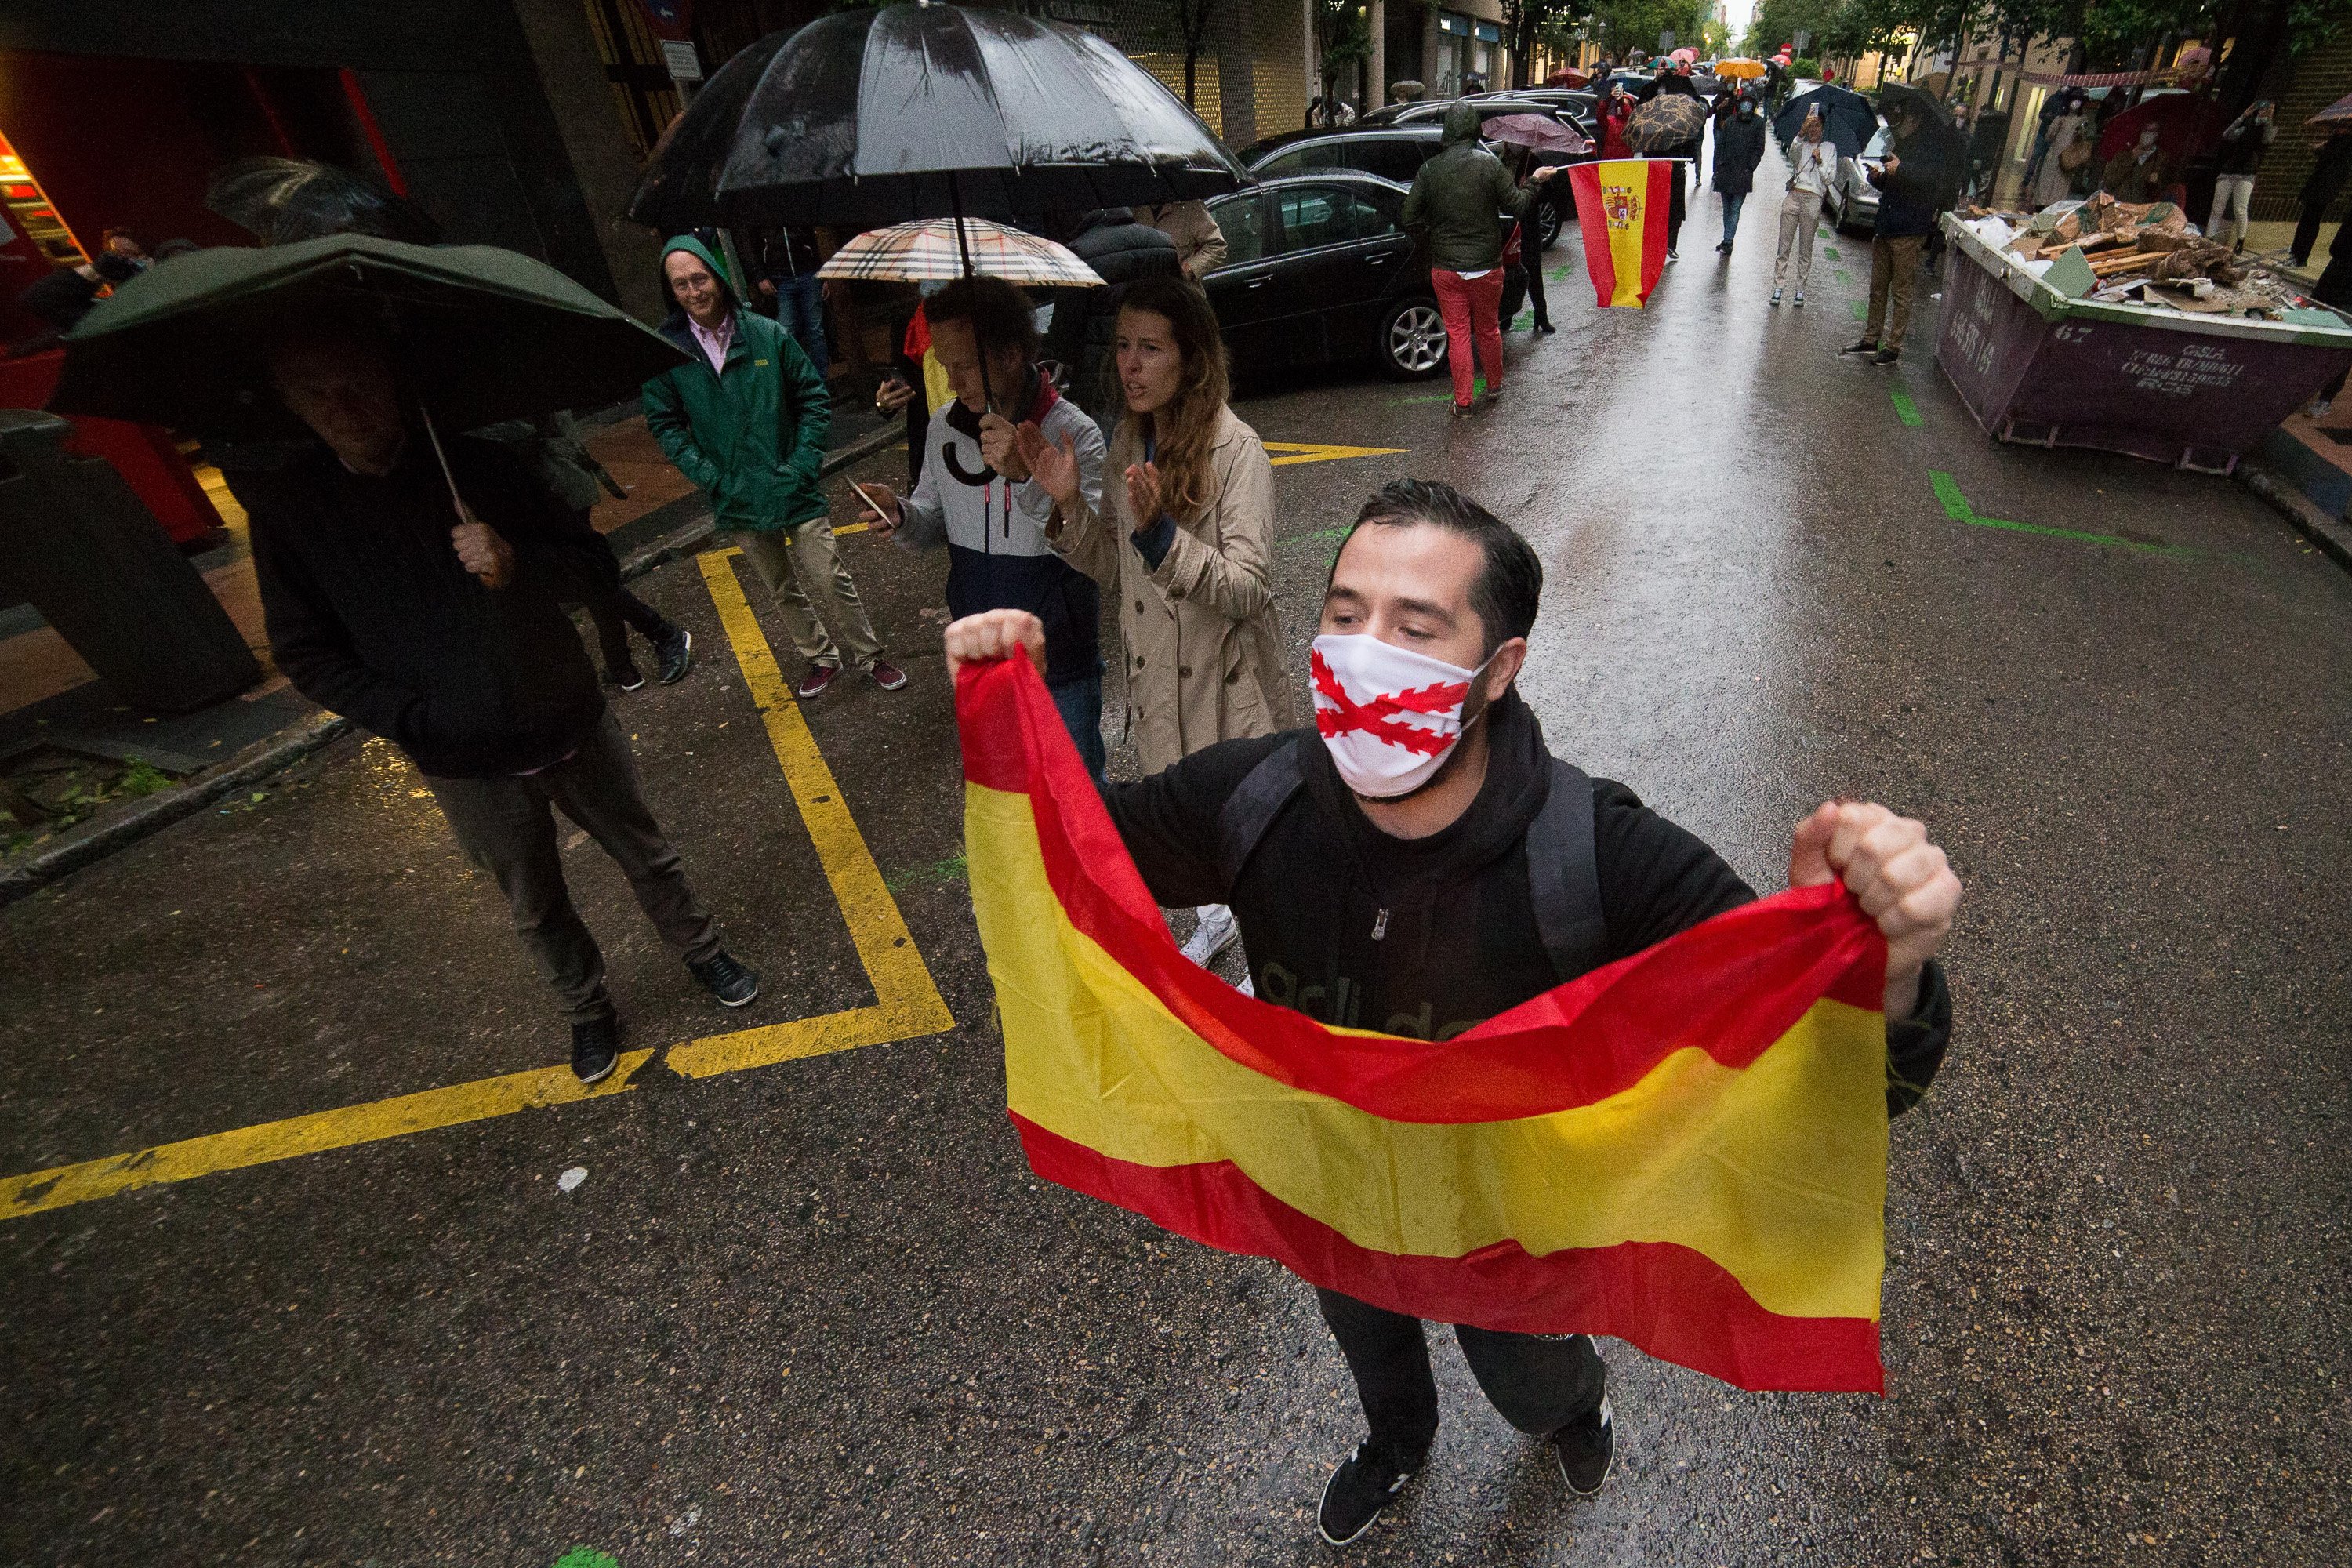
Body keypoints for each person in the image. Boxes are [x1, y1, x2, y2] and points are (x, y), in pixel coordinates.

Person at [938, 478, 1960, 1549]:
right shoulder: (1252, 799)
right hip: (1328, 1194)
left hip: (1509, 1231)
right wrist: (1011, 714)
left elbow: (1829, 1088)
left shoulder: (1598, 857)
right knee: (1368, 1340)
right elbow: (1066, 858)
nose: (1363, 649)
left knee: (1525, 1367)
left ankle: (1573, 1408)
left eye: (1415, 627)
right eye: (1344, 614)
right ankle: (1396, 1444)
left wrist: (1873, 970)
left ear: (1499, 668)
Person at [249, 327, 759, 1085]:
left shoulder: (480, 467)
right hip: (461, 758)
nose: (342, 408)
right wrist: (412, 718)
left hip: (566, 716)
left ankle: (704, 952)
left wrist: (517, 561)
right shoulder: (291, 512)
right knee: (534, 902)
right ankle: (588, 1011)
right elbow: (305, 654)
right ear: (292, 405)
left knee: (646, 853)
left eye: (356, 384)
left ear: (392, 382)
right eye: (315, 394)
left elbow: (595, 572)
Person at [1014, 276, 1294, 976]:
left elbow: (1250, 588)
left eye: (1149, 348)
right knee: (1189, 840)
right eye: (1121, 347)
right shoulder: (1127, 443)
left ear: (1190, 358)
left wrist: (1164, 537)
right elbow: (1117, 568)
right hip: (1156, 694)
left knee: (1249, 851)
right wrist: (1069, 506)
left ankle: (1272, 978)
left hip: (1228, 699)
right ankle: (1214, 920)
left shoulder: (1238, 453)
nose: (1129, 365)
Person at [858, 276, 1112, 779]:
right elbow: (934, 522)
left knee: (1080, 798)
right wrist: (903, 516)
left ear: (1014, 355)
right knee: (1011, 804)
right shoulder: (942, 428)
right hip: (983, 659)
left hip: (1060, 657)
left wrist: (1026, 479)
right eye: (945, 366)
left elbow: (1092, 550)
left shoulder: (1074, 433)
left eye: (966, 365)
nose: (953, 382)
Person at [642, 236, 906, 700]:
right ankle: (821, 657)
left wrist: (803, 462)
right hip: (737, 495)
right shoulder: (668, 354)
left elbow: (813, 398)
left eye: (699, 278)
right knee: (780, 587)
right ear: (670, 291)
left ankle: (869, 656)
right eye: (680, 284)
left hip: (793, 484)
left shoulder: (767, 334)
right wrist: (711, 477)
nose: (693, 291)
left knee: (829, 576)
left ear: (718, 278)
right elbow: (665, 425)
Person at [476, 411, 695, 691]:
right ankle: (621, 666)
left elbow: (520, 431)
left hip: (557, 488)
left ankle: (663, 634)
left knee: (587, 576)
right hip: (545, 490)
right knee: (590, 579)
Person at [1400, 100, 1561, 417]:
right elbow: (1517, 206)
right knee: (1488, 327)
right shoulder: (1488, 166)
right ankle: (1494, 385)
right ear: (1474, 129)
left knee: (1458, 333)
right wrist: (1535, 181)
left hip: (1447, 268)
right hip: (1487, 266)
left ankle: (1463, 403)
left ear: (1448, 131)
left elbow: (1409, 217)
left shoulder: (1430, 169)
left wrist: (1433, 231)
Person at [1042, 208, 1182, 430]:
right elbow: (1181, 313)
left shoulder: (1078, 253)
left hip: (1103, 383)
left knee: (1117, 450)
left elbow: (1065, 334)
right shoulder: (1163, 244)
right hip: (1160, 376)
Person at [1843, 98, 1948, 366]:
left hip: (1909, 228)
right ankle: (1871, 338)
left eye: (1904, 119)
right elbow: (1895, 183)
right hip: (1887, 224)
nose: (1898, 123)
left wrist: (1900, 168)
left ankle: (1893, 346)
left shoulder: (1932, 150)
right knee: (1877, 288)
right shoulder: (1901, 144)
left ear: (1916, 120)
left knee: (1901, 291)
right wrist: (1879, 177)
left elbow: (1929, 181)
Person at [1773, 107, 1837, 305]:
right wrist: (1801, 133)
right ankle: (1778, 287)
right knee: (1784, 245)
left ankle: (1800, 289)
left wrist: (1820, 161)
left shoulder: (1829, 148)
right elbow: (1792, 156)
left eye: (1817, 125)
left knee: (1805, 248)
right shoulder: (1800, 144)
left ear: (1823, 127)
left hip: (1813, 199)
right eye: (1811, 125)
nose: (1813, 129)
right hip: (1794, 195)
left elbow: (1828, 179)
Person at [751, 226, 830, 376]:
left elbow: (815, 240)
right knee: (786, 332)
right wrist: (760, 276)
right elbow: (754, 248)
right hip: (780, 279)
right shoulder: (761, 214)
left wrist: (824, 275)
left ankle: (821, 378)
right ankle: (795, 379)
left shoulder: (795, 206)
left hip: (809, 274)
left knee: (816, 330)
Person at [2209, 100, 2275, 252]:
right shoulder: (2246, 126)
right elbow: (2227, 135)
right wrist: (2243, 116)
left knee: (2240, 208)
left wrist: (2269, 119)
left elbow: (2268, 139)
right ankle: (2210, 237)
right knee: (2217, 207)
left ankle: (2240, 240)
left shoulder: (2266, 128)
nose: (2262, 112)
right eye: (2261, 109)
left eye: (2266, 110)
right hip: (2230, 169)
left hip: (2247, 172)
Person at [1712, 90, 1766, 256]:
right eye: (1744, 101)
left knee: (1735, 209)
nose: (1746, 105)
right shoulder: (1729, 122)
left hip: (1743, 174)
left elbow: (1759, 148)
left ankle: (1728, 240)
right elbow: (1720, 146)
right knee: (1727, 209)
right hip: (1726, 172)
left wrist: (1750, 166)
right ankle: (1727, 238)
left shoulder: (1758, 123)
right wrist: (1719, 166)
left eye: (1750, 102)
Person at [2292, 122, 2352, 267]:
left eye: (2342, 126)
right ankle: (2295, 252)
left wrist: (2323, 147)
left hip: (2326, 186)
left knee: (2312, 219)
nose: (2337, 128)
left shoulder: (2347, 143)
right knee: (2307, 218)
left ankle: (2301, 256)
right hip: (2319, 183)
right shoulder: (2336, 140)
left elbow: (2332, 157)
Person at [1134, 201, 1229, 281]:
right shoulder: (1137, 211)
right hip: (1147, 295)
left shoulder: (1190, 206)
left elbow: (1217, 246)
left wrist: (1188, 269)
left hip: (1183, 294)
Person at [2031, 91, 2091, 210]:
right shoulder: (2062, 119)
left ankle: (2048, 208)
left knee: (2055, 186)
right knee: (2050, 184)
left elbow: (2084, 138)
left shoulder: (2082, 121)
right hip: (2057, 157)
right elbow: (2049, 136)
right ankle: (2044, 208)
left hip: (2067, 159)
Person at [2101, 124, 2167, 203]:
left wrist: (2157, 180)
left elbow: (2164, 191)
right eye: (2145, 130)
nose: (2147, 134)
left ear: (2157, 134)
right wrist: (2130, 159)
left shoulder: (2160, 159)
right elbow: (2109, 182)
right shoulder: (2124, 153)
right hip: (2117, 204)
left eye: (2152, 131)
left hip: (2140, 209)